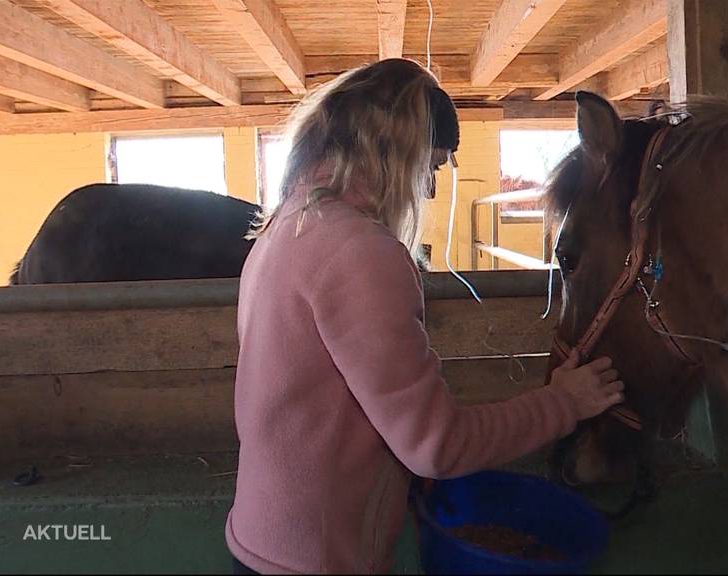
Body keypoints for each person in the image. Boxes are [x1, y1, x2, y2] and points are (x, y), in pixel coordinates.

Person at [225, 58, 623, 575]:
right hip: (322, 561)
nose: (429, 191)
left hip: (265, 542)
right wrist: (564, 403)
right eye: (429, 167)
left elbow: (329, 402)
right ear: (390, 153)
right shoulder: (359, 252)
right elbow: (437, 447)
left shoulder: (286, 228)